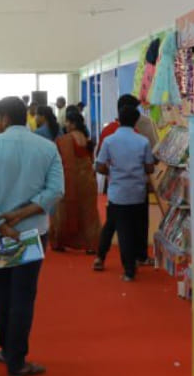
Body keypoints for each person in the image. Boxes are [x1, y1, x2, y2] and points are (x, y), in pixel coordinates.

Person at [0, 96, 64, 376]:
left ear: (3, 118)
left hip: (0, 233)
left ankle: (7, 350)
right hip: (31, 232)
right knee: (22, 295)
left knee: (2, 293)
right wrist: (22, 214)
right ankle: (17, 358)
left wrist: (1, 224)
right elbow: (56, 190)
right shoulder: (46, 147)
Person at [93, 104, 155, 281]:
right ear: (136, 121)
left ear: (119, 119)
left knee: (121, 230)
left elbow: (99, 166)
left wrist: (112, 172)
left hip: (117, 193)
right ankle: (133, 262)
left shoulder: (109, 141)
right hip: (137, 192)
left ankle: (128, 270)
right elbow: (149, 168)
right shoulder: (143, 141)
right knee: (135, 229)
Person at [50, 107, 100, 253]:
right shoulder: (87, 140)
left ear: (72, 124)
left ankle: (59, 242)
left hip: (69, 180)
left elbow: (59, 163)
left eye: (67, 122)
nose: (65, 124)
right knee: (88, 213)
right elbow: (90, 160)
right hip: (88, 181)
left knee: (63, 210)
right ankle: (91, 245)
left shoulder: (64, 140)